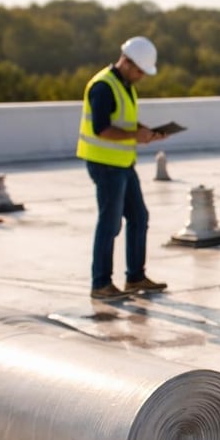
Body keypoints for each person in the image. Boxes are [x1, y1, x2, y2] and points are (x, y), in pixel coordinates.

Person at [76, 36, 169, 300]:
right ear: (126, 62)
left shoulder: (124, 84)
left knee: (139, 217)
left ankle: (135, 277)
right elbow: (102, 128)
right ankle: (101, 284)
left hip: (122, 163)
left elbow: (122, 120)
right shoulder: (103, 86)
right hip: (105, 166)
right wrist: (134, 136)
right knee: (110, 223)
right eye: (139, 70)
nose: (142, 76)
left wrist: (146, 132)